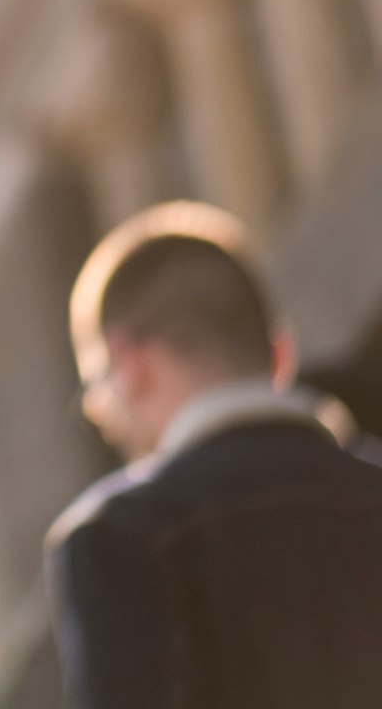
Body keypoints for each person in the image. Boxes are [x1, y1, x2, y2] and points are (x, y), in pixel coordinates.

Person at [47, 200, 382, 709]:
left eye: (98, 392)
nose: (106, 420)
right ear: (280, 355)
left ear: (129, 363)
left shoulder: (119, 537)